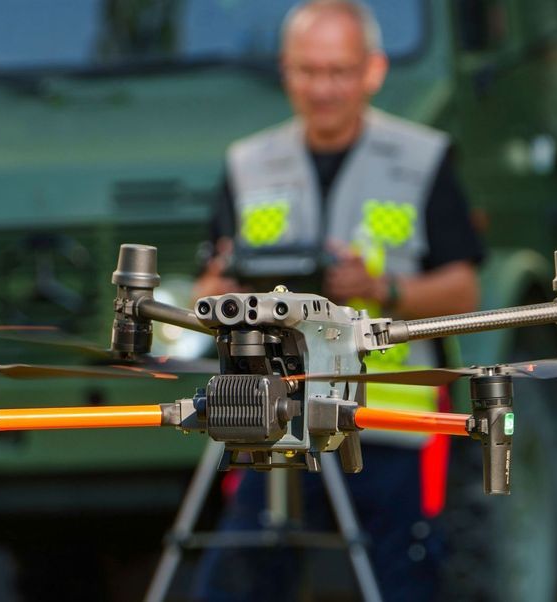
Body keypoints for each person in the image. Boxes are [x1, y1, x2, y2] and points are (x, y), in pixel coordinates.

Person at [193, 1, 485, 598]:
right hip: (271, 419)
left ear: (373, 71)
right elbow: (205, 285)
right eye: (308, 71)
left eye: (339, 71)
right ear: (285, 71)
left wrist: (384, 290)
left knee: (405, 580)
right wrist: (217, 294)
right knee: (239, 573)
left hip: (387, 421)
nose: (323, 89)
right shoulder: (247, 164)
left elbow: (465, 290)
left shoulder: (421, 158)